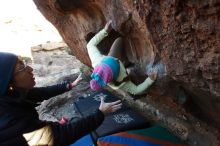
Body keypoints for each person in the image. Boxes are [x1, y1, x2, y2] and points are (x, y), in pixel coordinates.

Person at [0, 52, 122, 146]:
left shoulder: (9, 94)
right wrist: (100, 114)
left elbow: (39, 93)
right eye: (22, 68)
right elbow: (60, 136)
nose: (30, 69)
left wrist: (68, 86)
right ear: (8, 81)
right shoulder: (13, 122)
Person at [87, 21, 158, 95]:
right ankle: (125, 64)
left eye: (116, 60)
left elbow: (90, 45)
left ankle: (122, 61)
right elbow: (136, 90)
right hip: (119, 68)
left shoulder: (97, 60)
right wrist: (150, 80)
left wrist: (105, 31)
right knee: (132, 71)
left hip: (111, 57)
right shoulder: (119, 82)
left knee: (119, 40)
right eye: (117, 61)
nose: (117, 60)